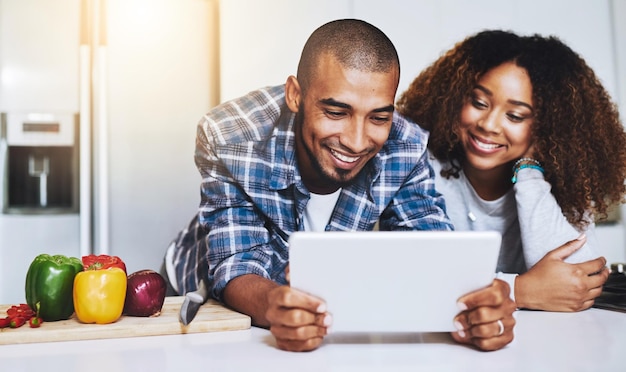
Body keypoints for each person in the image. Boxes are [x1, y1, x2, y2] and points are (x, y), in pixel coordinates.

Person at [163, 19, 516, 352]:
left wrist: (477, 309)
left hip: (317, 323)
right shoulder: (230, 136)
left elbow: (433, 251)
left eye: (379, 117)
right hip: (196, 295)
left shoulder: (405, 145)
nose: (357, 141)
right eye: (336, 112)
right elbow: (237, 261)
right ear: (295, 95)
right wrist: (274, 306)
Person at [397, 30, 626, 312]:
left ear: (546, 126)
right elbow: (412, 280)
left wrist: (529, 172)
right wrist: (521, 290)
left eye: (515, 116)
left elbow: (578, 284)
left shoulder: (566, 185)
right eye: (479, 103)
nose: (489, 124)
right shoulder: (420, 168)